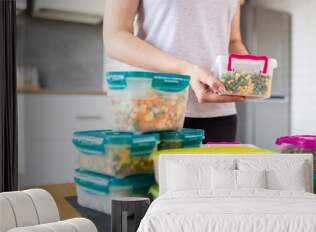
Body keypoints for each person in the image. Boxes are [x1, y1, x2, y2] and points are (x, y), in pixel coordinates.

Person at [103, 0, 248, 142]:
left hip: (219, 113)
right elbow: (114, 38)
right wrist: (186, 69)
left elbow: (233, 41)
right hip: (153, 108)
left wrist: (250, 72)